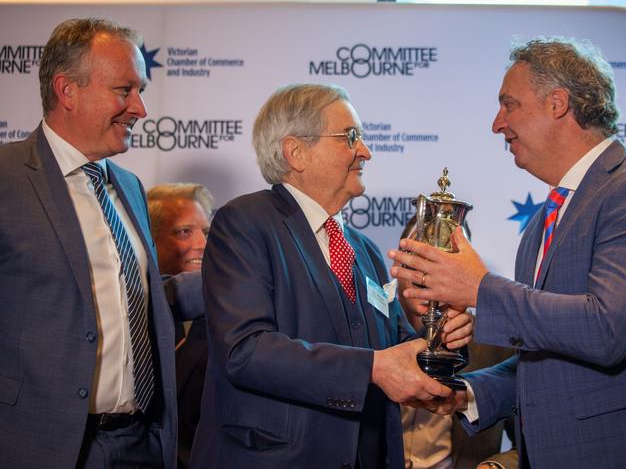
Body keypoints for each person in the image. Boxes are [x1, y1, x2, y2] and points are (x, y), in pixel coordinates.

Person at [389, 37, 626, 468]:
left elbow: (606, 331)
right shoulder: (543, 222)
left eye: (509, 105)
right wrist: (466, 394)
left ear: (557, 104)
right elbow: (546, 360)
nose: (497, 123)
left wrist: (479, 289)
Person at [190, 83, 473, 469]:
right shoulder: (245, 223)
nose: (366, 151)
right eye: (350, 137)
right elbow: (245, 350)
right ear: (296, 152)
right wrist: (373, 367)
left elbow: (396, 348)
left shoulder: (365, 249)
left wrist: (440, 336)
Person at [0, 18, 202, 468]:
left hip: (141, 445)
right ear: (67, 90)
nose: (140, 109)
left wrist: (229, 281)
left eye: (142, 91)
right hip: (43, 446)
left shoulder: (128, 186)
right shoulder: (7, 178)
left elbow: (124, 297)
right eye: (124, 90)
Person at [397, 217, 515, 469]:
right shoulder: (366, 331)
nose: (427, 274)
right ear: (397, 263)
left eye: (444, 262)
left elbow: (531, 443)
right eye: (417, 257)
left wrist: (497, 467)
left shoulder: (497, 344)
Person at [147, 182, 216, 468]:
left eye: (207, 232)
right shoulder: (127, 314)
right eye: (184, 232)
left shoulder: (231, 315)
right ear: (150, 237)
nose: (201, 244)